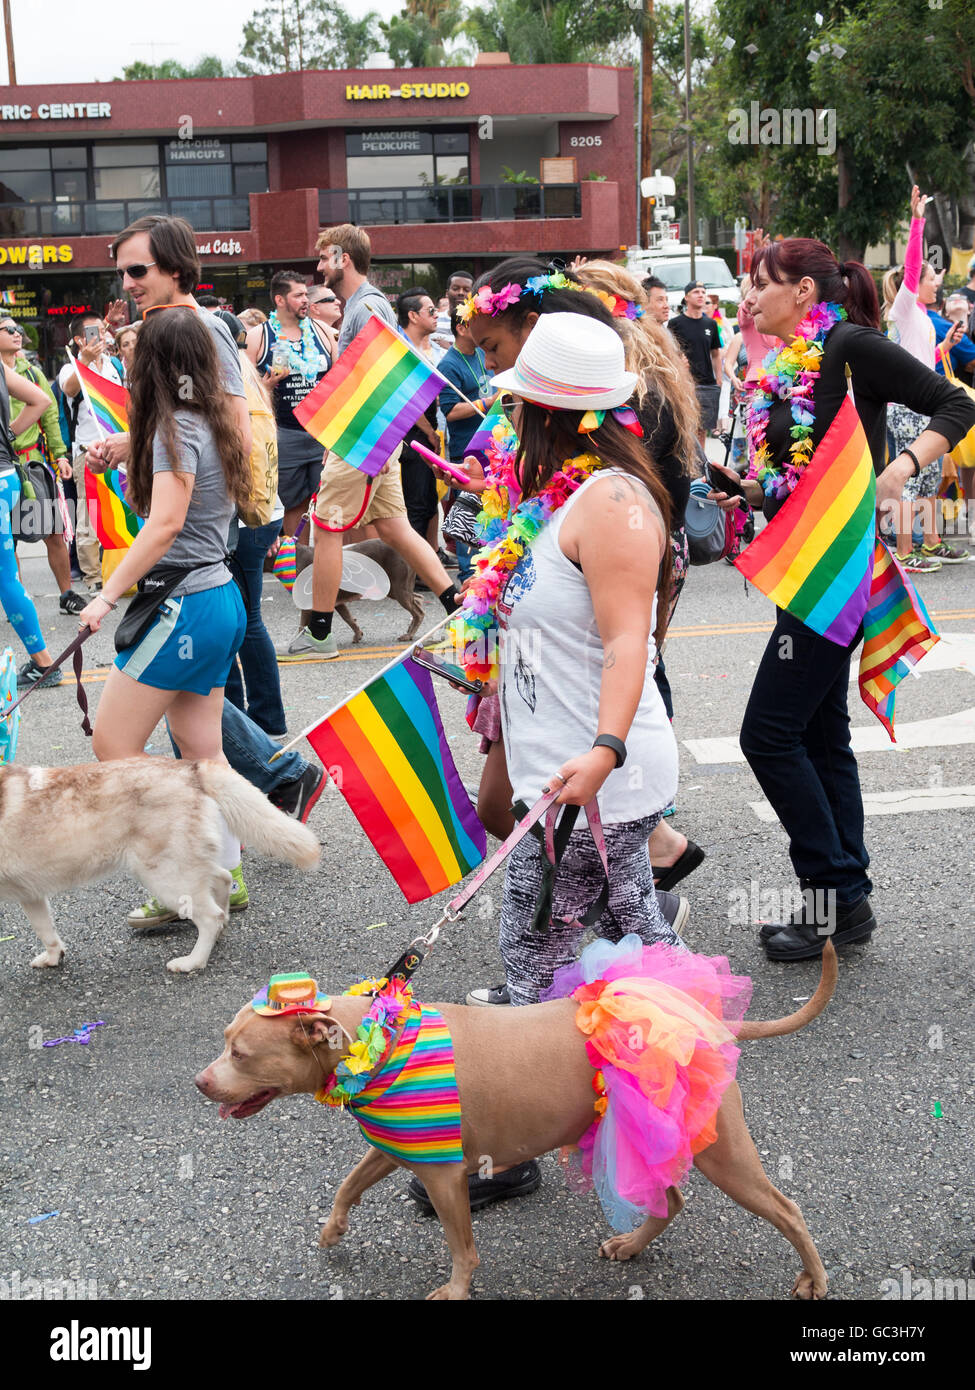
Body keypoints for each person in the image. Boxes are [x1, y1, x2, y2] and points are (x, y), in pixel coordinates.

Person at [409, 311, 684, 1216]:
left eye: (516, 399)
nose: (505, 415)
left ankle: (516, 1144)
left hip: (593, 783)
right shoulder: (552, 496)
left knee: (532, 968)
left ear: (546, 410)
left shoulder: (611, 503)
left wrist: (601, 749)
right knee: (628, 963)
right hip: (558, 774)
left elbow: (624, 643)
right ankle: (671, 1098)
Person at [708, 236, 975, 962]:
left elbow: (955, 403)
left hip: (836, 574)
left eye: (760, 284)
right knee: (819, 735)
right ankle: (843, 904)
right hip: (803, 565)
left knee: (766, 734)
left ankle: (831, 895)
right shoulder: (790, 362)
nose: (748, 299)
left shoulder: (851, 345)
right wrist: (753, 489)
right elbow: (809, 472)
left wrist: (902, 471)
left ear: (802, 293)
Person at [78, 308, 252, 923]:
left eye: (133, 352)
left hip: (183, 603)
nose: (124, 361)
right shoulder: (206, 420)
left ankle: (187, 878)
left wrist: (103, 596)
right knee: (204, 753)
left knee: (115, 744)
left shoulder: (173, 431)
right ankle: (221, 875)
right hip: (215, 596)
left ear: (151, 363)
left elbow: (167, 524)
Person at [574, 260, 703, 889]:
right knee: (644, 665)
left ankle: (652, 821)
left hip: (640, 543)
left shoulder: (631, 380)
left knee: (635, 667)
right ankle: (652, 822)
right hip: (654, 541)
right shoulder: (647, 363)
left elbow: (642, 480)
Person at [291, 223, 459, 661]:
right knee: (395, 530)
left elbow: (376, 384)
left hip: (359, 441)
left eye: (324, 257)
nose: (319, 266)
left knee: (327, 528)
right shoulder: (370, 307)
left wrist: (359, 446)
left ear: (343, 259)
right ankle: (457, 609)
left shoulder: (366, 309)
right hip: (372, 442)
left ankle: (320, 634)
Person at [881, 187, 969, 571]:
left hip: (924, 402)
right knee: (910, 478)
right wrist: (917, 220)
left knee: (931, 475)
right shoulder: (905, 308)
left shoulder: (920, 322)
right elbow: (913, 268)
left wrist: (945, 347)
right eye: (934, 278)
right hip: (906, 409)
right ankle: (904, 550)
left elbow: (920, 361)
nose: (937, 283)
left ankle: (930, 544)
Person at [0, 319, 86, 615]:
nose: (16, 334)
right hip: (3, 467)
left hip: (33, 464)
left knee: (54, 530)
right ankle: (19, 602)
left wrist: (60, 456)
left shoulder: (33, 373)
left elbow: (49, 416)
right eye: (7, 329)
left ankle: (67, 594)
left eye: (18, 330)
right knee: (8, 538)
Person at [246, 270, 334, 539]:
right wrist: (267, 386)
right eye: (298, 295)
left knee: (328, 501)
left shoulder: (321, 331)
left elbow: (339, 380)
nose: (306, 300)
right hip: (284, 434)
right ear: (280, 300)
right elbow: (244, 389)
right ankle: (297, 560)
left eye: (306, 294)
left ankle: (322, 561)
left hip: (322, 434)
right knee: (292, 502)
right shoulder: (258, 336)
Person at [0, 360, 65, 687]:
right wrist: (6, 434)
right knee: (6, 574)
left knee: (5, 575)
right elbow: (40, 399)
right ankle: (43, 663)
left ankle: (44, 663)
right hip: (7, 477)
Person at [57, 313, 122, 591]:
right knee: (89, 513)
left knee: (121, 508)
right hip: (87, 450)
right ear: (79, 340)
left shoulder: (114, 364)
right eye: (94, 331)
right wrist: (83, 361)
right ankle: (93, 576)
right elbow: (70, 389)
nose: (102, 335)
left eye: (103, 329)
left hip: (119, 448)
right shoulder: (69, 367)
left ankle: (120, 570)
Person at [438, 307, 500, 583]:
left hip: (491, 444)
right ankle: (467, 571)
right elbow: (450, 411)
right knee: (467, 509)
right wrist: (490, 402)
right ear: (462, 329)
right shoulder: (449, 364)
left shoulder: (481, 354)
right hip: (467, 447)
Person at [397, 287, 444, 548]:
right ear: (413, 316)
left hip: (425, 436)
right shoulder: (403, 351)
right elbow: (407, 401)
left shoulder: (423, 348)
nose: (437, 315)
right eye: (431, 310)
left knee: (427, 502)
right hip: (412, 438)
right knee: (415, 505)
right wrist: (429, 432)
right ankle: (411, 573)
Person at [668, 282, 722, 443]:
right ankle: (688, 465)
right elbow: (671, 352)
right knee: (686, 428)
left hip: (707, 383)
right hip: (685, 384)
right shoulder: (676, 323)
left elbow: (716, 353)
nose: (701, 295)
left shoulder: (710, 324)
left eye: (703, 292)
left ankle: (700, 466)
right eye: (696, 292)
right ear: (686, 297)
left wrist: (718, 378)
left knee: (702, 430)